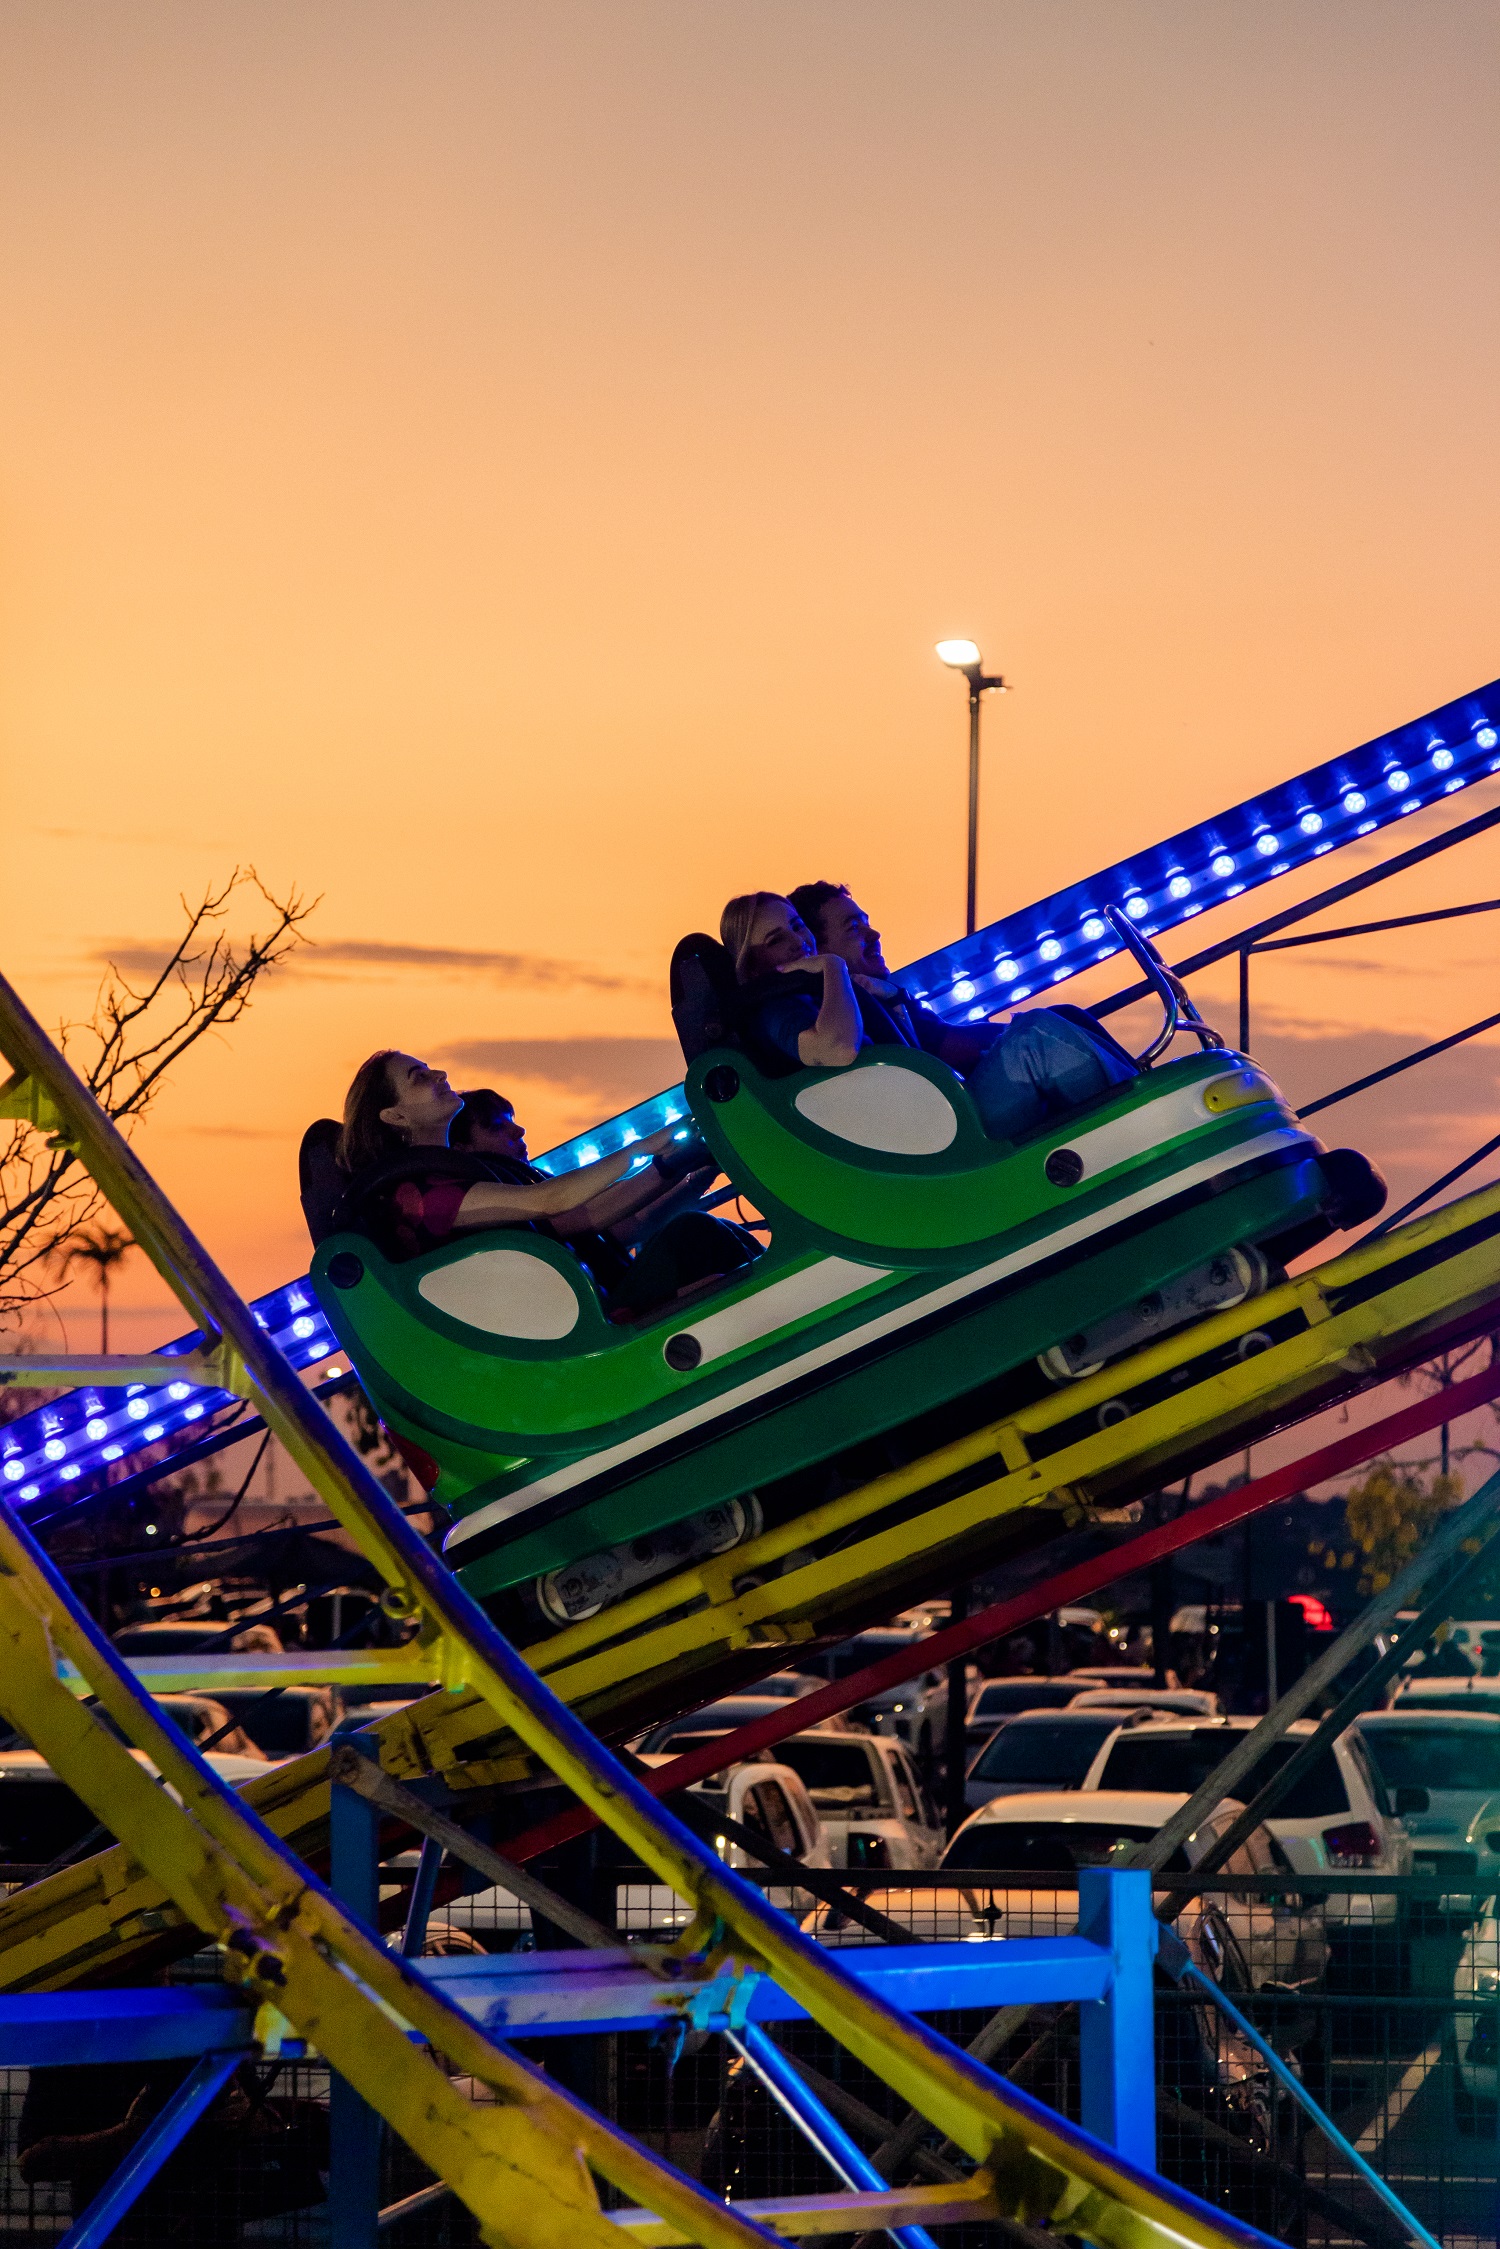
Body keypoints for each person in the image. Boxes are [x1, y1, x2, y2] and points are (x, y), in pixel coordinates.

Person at [337, 1054, 752, 1315]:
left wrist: (680, 1161)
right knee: (698, 1237)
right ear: (394, 1117)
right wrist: (647, 1146)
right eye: (418, 1077)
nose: (439, 1074)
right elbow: (553, 1199)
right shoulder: (416, 1198)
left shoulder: (457, 1176)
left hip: (579, 1304)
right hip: (570, 1327)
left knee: (700, 1235)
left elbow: (588, 1215)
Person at [729, 886, 1136, 1142]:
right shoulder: (776, 1009)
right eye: (776, 938)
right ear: (751, 961)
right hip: (934, 1140)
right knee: (1037, 1039)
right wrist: (834, 967)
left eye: (799, 927)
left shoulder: (834, 997)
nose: (798, 941)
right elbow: (836, 1048)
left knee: (1052, 1021)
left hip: (934, 1122)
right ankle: (1138, 1134)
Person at [451, 1086, 757, 1314]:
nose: (518, 1130)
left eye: (511, 1121)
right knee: (694, 1231)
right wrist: (667, 1163)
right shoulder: (505, 1202)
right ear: (463, 1149)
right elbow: (592, 1215)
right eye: (497, 1127)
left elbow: (632, 1224)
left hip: (618, 1287)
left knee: (702, 1229)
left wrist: (701, 1171)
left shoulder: (532, 1178)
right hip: (602, 1312)